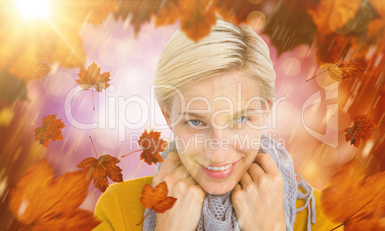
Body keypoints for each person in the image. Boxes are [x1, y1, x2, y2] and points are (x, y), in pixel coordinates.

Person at [93, 16, 343, 231]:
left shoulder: (325, 218)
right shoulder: (119, 210)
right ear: (168, 117)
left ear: (266, 110)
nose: (218, 154)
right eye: (195, 121)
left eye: (240, 119)